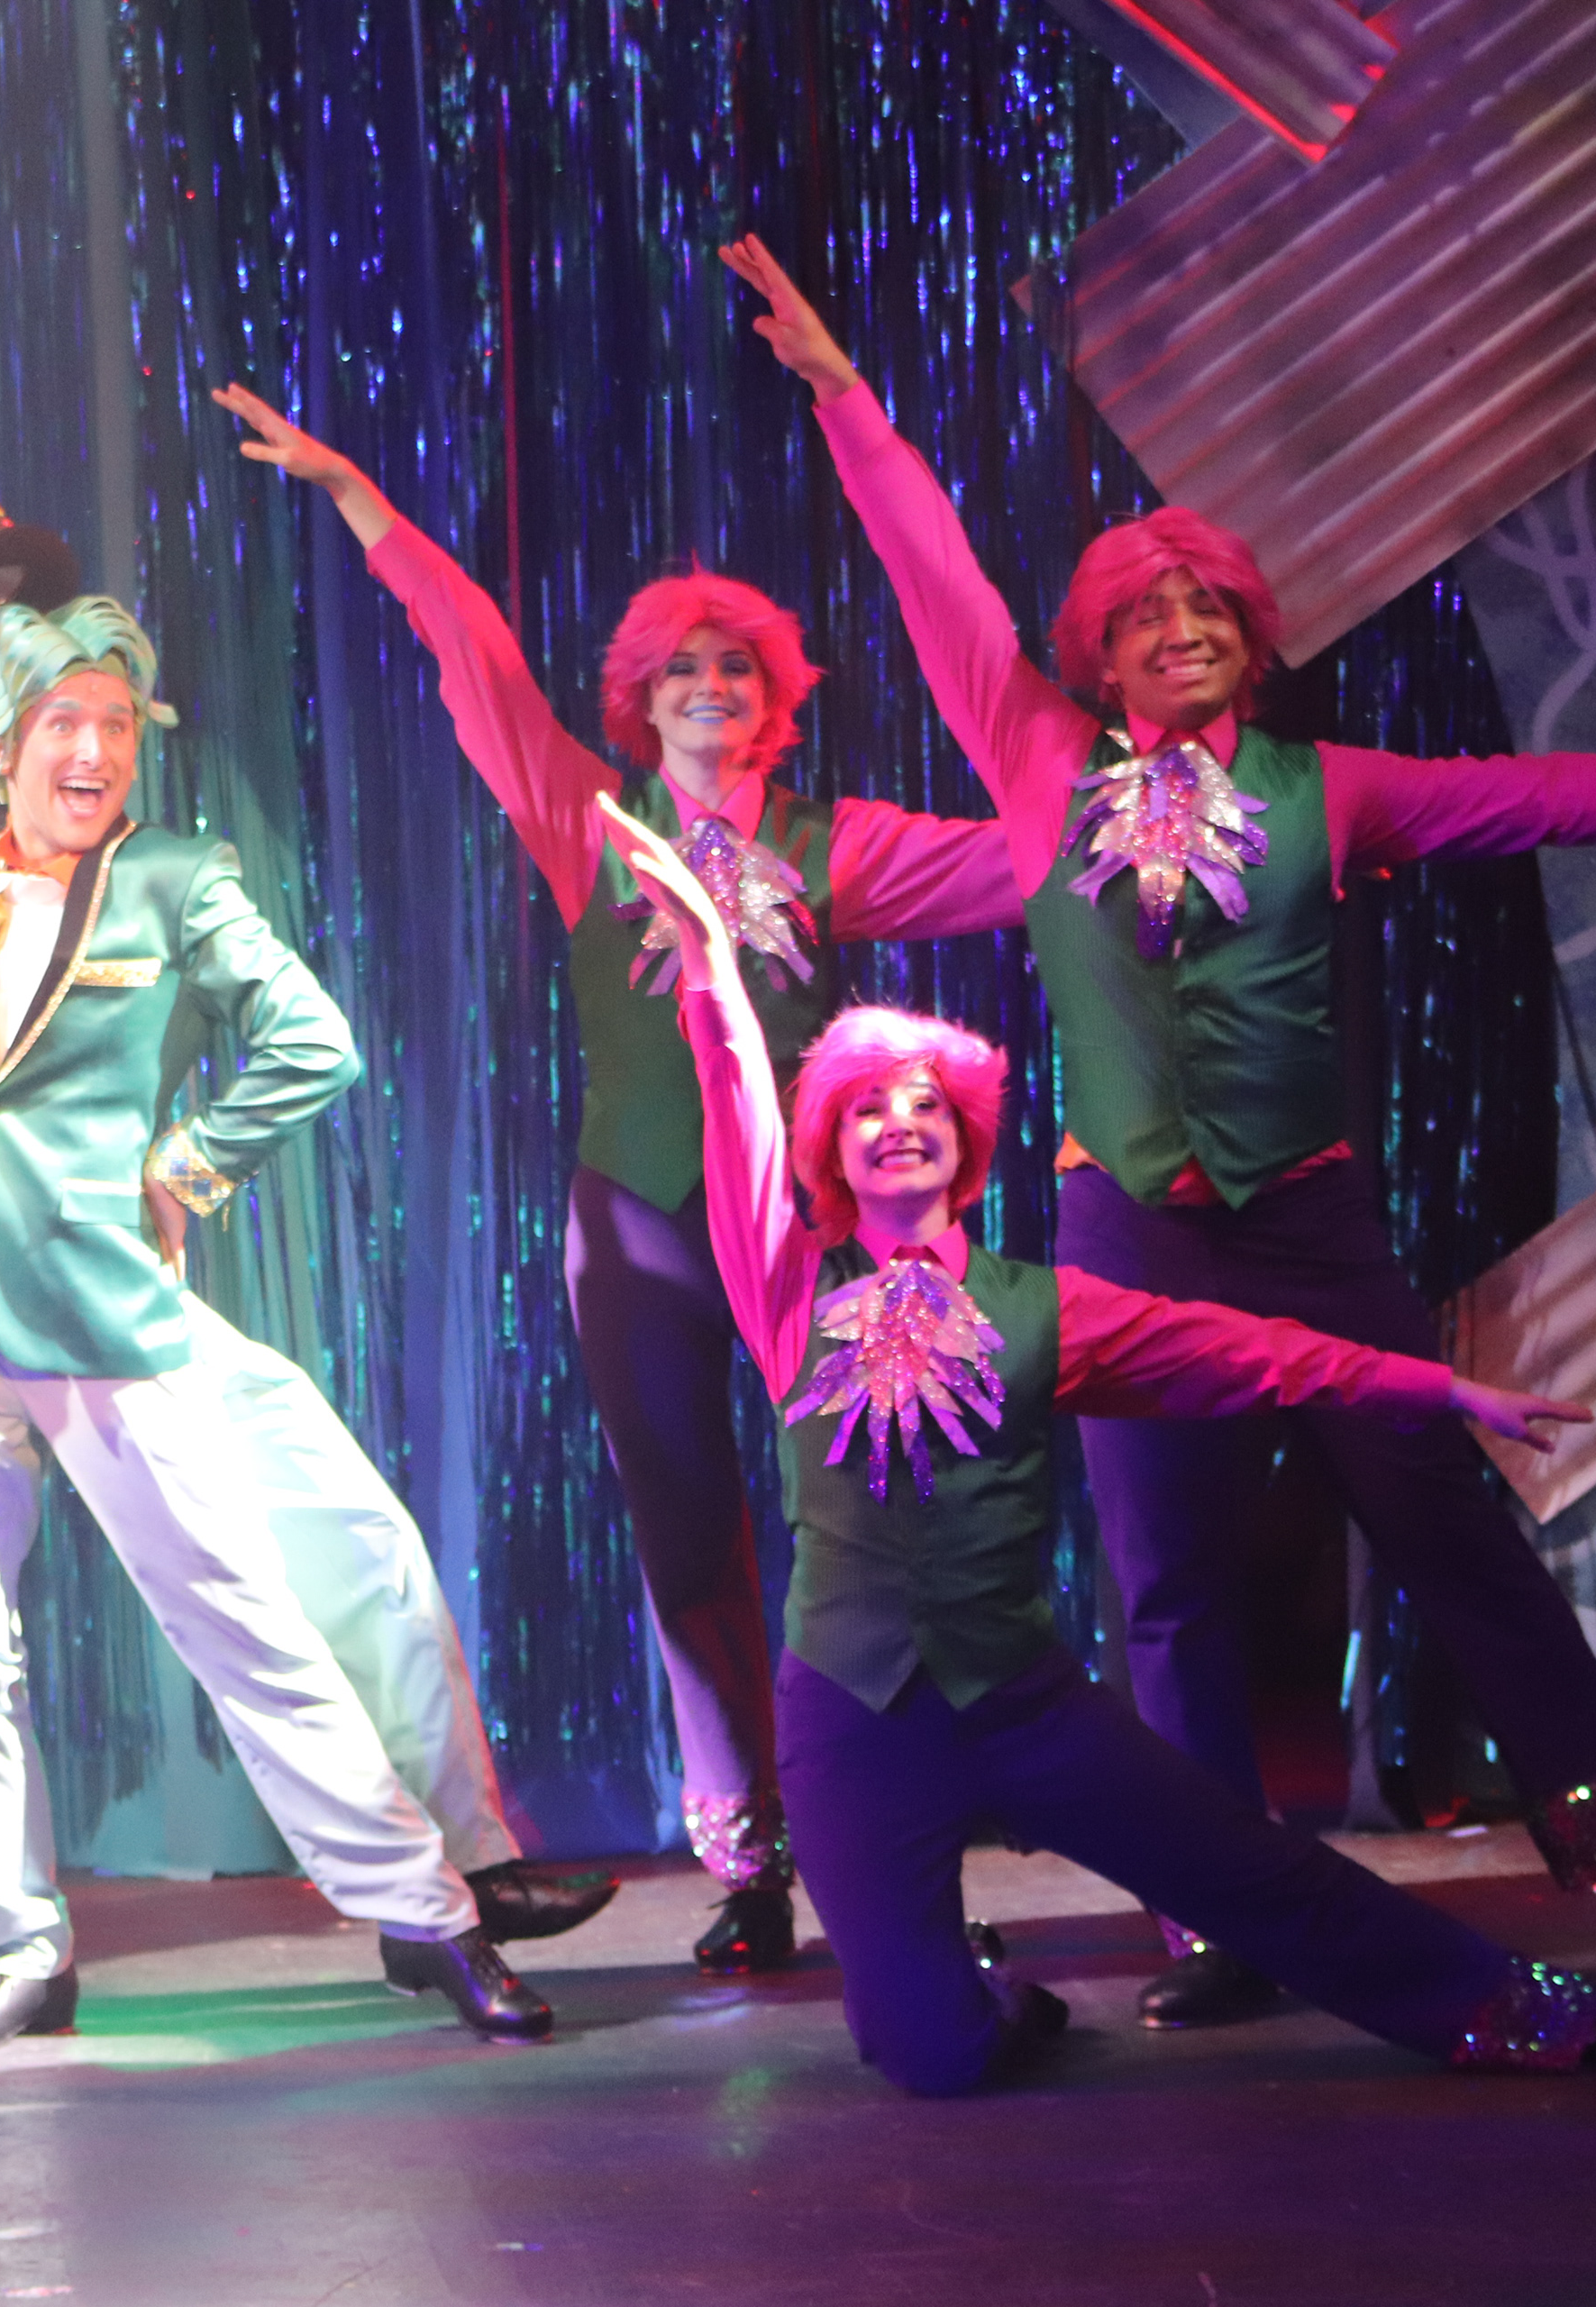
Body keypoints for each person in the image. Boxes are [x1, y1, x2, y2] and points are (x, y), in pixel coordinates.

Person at [727, 231, 1596, 2029]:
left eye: (1208, 612)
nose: (1180, 633)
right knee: (1168, 1587)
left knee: (1438, 1506)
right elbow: (938, 581)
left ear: (1249, 640)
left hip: (1311, 1225)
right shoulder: (1039, 768)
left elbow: (1534, 792)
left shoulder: (1333, 790)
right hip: (1131, 1230)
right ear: (1101, 654)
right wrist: (846, 398)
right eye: (1148, 619)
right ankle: (1223, 1914)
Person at [605, 792, 1596, 2094]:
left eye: (927, 1104)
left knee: (1261, 1876)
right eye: (868, 1106)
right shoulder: (787, 1290)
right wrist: (711, 959)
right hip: (855, 1715)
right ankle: (988, 2002)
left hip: (1023, 1701)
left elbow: (1260, 1352)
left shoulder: (1050, 1310)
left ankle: (1522, 2009)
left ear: (967, 1145)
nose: (899, 1121)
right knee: (927, 2058)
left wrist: (1437, 1388)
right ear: (833, 1145)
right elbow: (734, 1104)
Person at [215, 382, 1020, 1971]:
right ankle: (751, 1865)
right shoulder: (590, 824)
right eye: (679, 671)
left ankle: (905, 1843)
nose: (709, 688)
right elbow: (475, 659)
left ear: (774, 700)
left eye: (736, 668)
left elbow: (1025, 857)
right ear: (641, 701)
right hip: (638, 1225)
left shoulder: (833, 842)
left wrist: (1203, 828)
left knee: (873, 1523)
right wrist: (363, 502)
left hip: (810, 1235)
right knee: (686, 1540)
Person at [0, 448, 615, 2020]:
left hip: (106, 1300)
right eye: (62, 720)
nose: (93, 748)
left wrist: (185, 1166)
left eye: (116, 725)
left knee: (286, 1580)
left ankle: (436, 1893)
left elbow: (312, 1040)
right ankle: (13, 1945)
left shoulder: (170, 875)